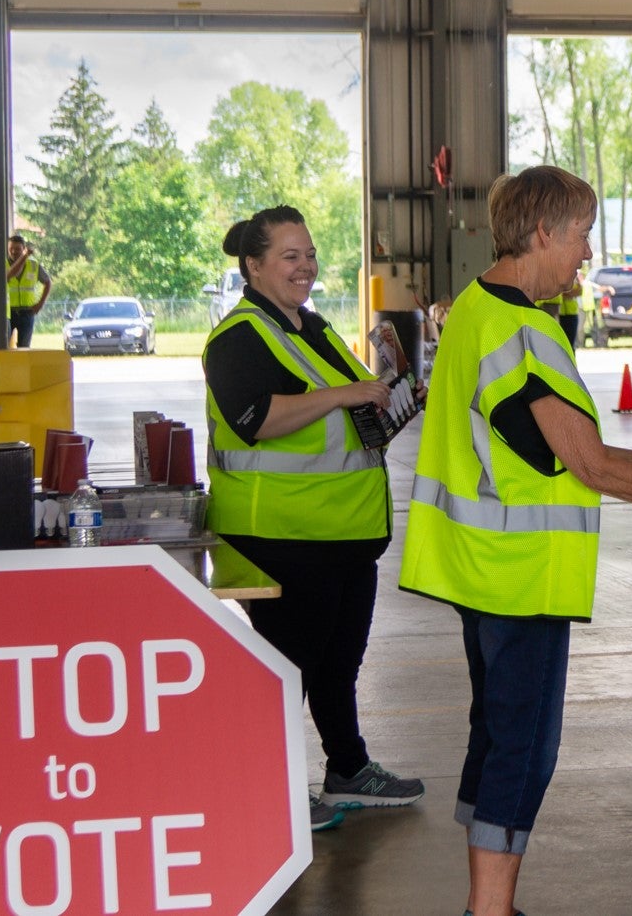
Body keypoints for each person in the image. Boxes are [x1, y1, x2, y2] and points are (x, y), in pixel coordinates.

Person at [400, 166, 632, 916]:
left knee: (495, 738)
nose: (585, 251)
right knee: (523, 750)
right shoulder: (525, 333)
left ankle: (487, 903)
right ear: (543, 233)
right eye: (580, 234)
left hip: (480, 571)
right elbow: (592, 463)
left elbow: (569, 454)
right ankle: (491, 909)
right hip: (521, 578)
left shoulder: (476, 309)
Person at [202, 205, 425, 835]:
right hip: (283, 532)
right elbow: (254, 419)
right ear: (254, 266)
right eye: (290, 257)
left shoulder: (312, 328)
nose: (307, 267)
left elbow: (357, 414)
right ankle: (268, 785)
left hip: (343, 532)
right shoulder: (239, 337)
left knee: (338, 663)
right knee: (288, 666)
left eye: (310, 254)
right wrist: (345, 394)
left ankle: (347, 767)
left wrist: (393, 383)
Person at [5, 234, 51, 349]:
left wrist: (40, 304)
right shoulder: (3, 264)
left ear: (23, 248)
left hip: (27, 312)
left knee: (24, 348)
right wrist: (24, 256)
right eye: (11, 249)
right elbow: (10, 275)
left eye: (17, 249)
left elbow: (48, 282)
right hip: (8, 313)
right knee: (4, 348)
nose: (14, 252)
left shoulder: (33, 265)